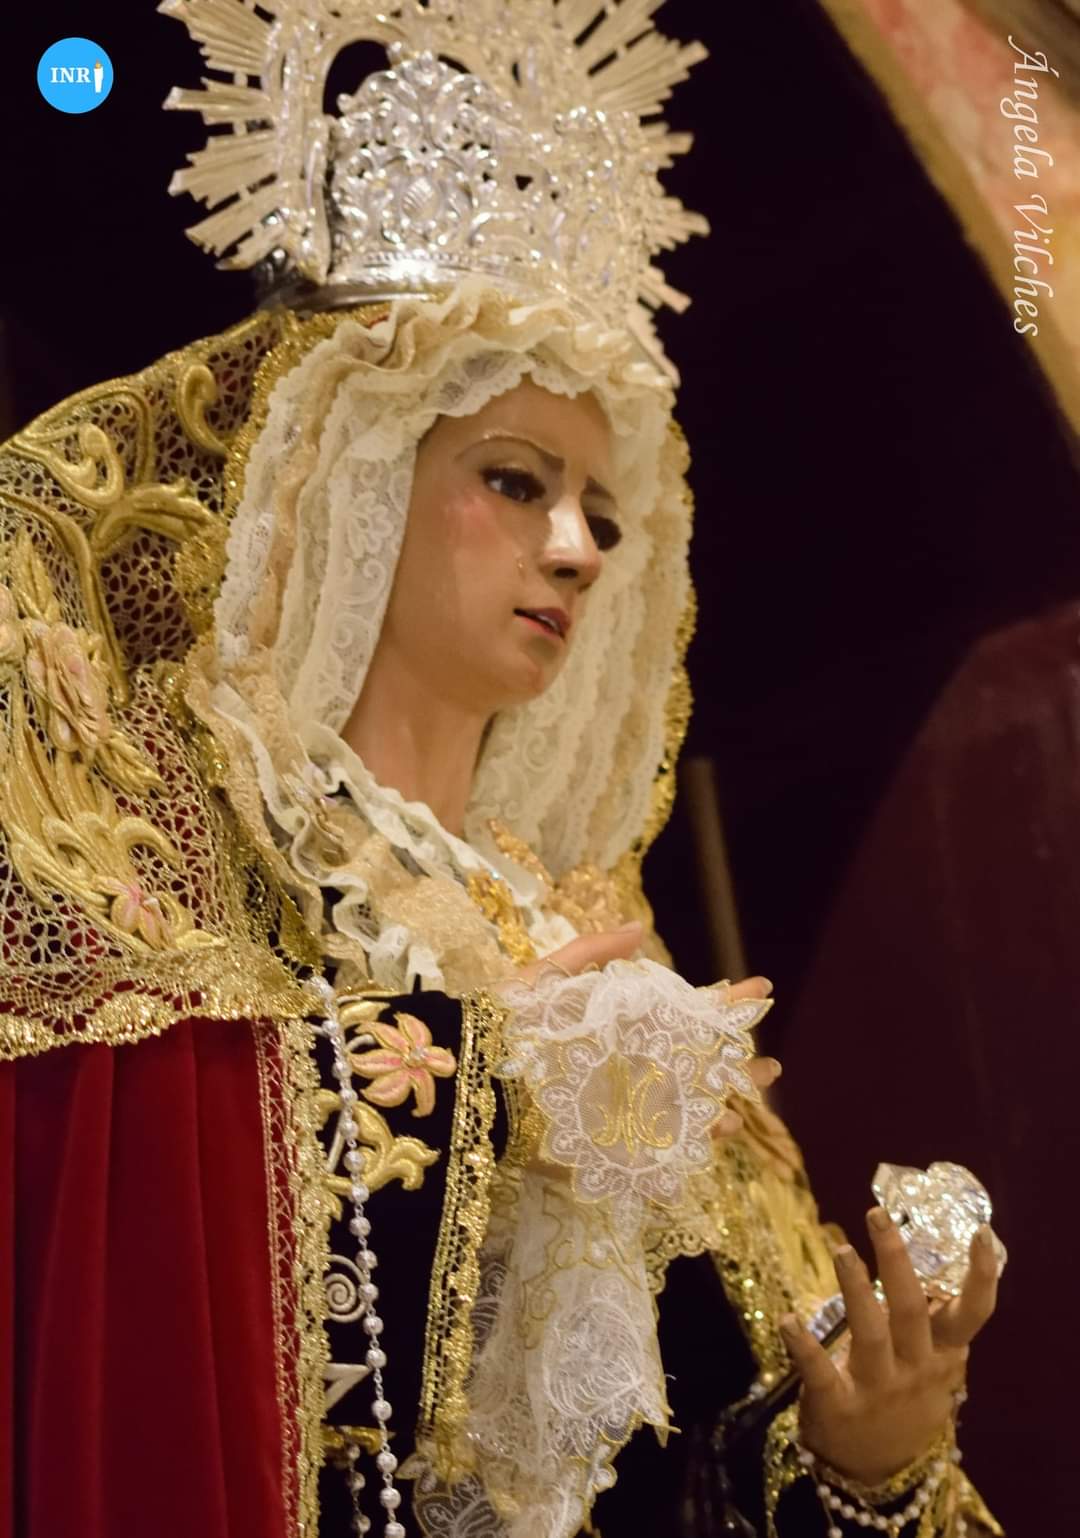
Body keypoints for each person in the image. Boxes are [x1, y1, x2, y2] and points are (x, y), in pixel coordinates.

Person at [0, 3, 1003, 1536]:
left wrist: (858, 1450)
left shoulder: (604, 954)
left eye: (603, 512)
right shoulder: (180, 830)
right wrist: (479, 1078)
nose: (578, 547)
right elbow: (106, 1238)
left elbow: (677, 1454)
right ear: (358, 477)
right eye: (517, 481)